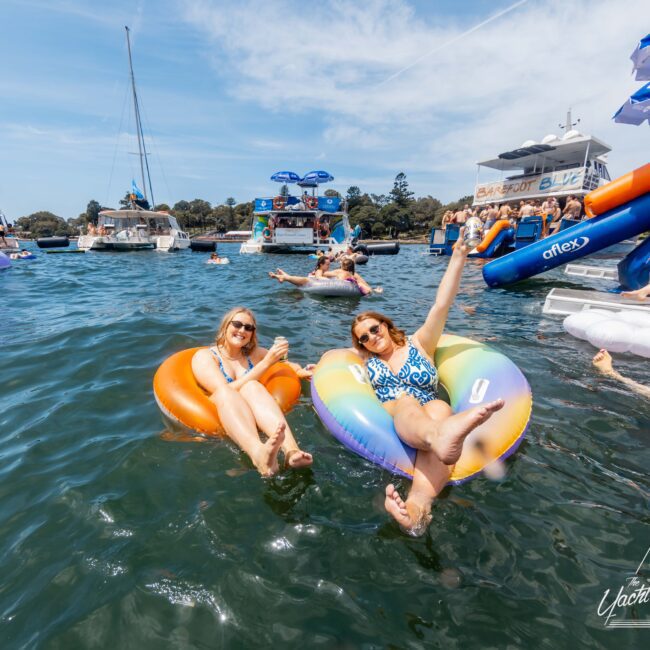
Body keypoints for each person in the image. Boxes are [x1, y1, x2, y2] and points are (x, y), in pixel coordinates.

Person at [345, 229, 504, 534]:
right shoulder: (369, 361)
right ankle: (439, 437)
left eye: (374, 329)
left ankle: (417, 510)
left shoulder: (419, 344)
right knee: (408, 402)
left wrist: (458, 256)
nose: (371, 338)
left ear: (386, 325)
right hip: (399, 408)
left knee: (440, 409)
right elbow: (339, 360)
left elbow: (440, 305)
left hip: (431, 406)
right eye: (363, 338)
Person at [191, 307, 314, 476]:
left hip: (251, 404)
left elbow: (286, 365)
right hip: (221, 405)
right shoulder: (205, 356)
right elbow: (223, 391)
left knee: (252, 386)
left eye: (248, 328)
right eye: (237, 324)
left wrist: (301, 371)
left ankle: (292, 452)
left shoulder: (254, 354)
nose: (242, 330)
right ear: (225, 326)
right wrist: (265, 364)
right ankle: (258, 456)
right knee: (228, 392)